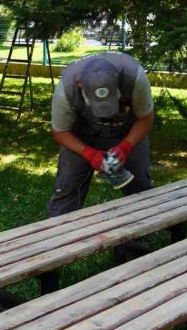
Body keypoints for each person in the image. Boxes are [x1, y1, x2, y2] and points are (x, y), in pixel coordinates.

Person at [47, 52, 154, 217]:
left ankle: (134, 241)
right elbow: (60, 131)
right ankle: (57, 238)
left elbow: (145, 119)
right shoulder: (67, 88)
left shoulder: (134, 77)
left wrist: (125, 147)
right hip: (81, 134)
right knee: (67, 188)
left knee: (140, 190)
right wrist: (89, 154)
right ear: (80, 85)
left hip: (128, 130)